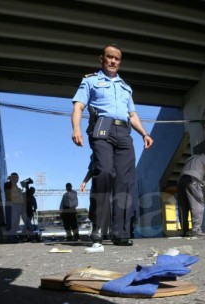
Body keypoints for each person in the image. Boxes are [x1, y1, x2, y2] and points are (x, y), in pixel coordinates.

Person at [71, 43, 153, 248]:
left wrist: (144, 133)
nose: (113, 61)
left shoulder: (126, 87)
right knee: (105, 171)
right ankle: (98, 225)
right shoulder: (90, 81)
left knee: (125, 182)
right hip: (102, 129)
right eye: (109, 57)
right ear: (102, 59)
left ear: (120, 62)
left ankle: (120, 232)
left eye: (116, 58)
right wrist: (76, 129)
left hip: (124, 133)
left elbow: (132, 115)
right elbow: (78, 106)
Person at [4, 172, 24, 242]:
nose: (16, 179)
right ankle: (10, 238)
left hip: (18, 205)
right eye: (14, 177)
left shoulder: (16, 186)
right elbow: (8, 195)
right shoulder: (8, 184)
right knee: (11, 222)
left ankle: (13, 237)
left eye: (17, 178)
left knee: (16, 222)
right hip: (11, 205)